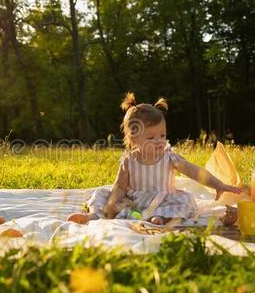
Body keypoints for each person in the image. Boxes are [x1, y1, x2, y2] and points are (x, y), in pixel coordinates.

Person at [67, 92, 241, 225]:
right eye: (151, 138)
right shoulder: (129, 160)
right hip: (133, 202)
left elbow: (195, 172)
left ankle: (161, 217)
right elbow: (120, 185)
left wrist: (218, 185)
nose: (159, 141)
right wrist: (113, 202)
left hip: (162, 200)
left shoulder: (169, 157)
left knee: (186, 200)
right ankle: (94, 215)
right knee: (100, 194)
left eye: (162, 135)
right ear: (134, 139)